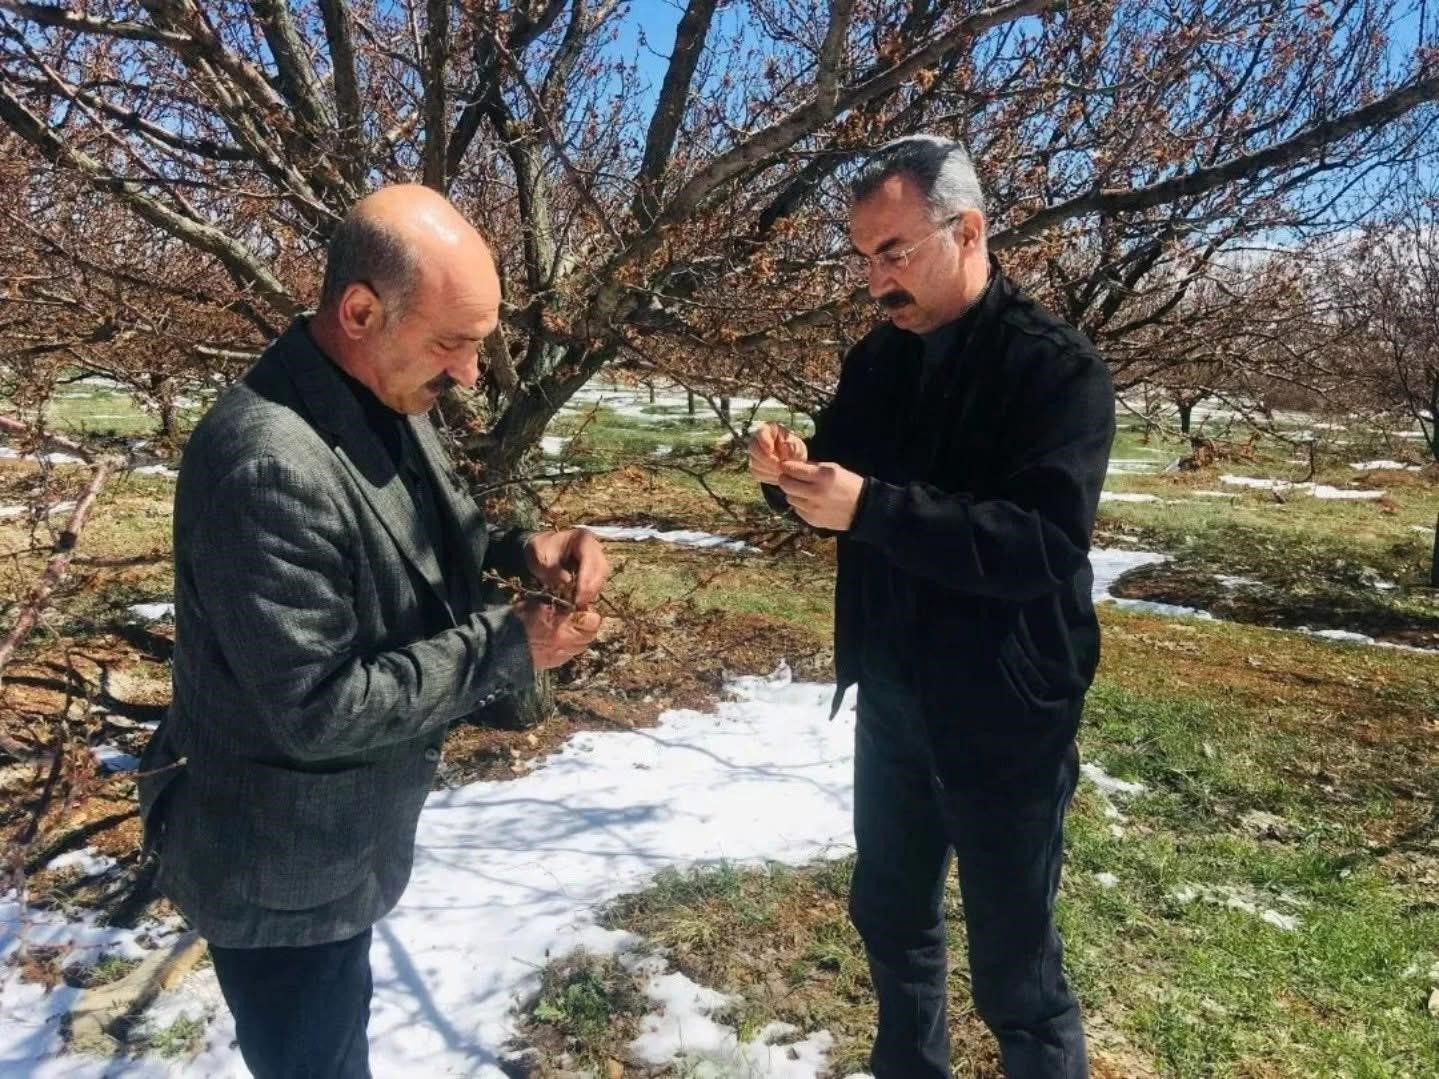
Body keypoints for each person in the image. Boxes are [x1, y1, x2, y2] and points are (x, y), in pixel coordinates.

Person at [137, 184, 610, 1078]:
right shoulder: (267, 465)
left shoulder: (380, 392)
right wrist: (508, 644)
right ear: (359, 310)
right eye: (452, 343)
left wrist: (525, 549)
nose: (470, 373)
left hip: (339, 847)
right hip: (277, 868)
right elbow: (316, 706)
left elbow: (433, 532)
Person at [749, 135, 1114, 1078]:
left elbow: (1041, 542)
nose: (876, 281)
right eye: (864, 257)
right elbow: (838, 482)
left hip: (1005, 707)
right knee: (891, 916)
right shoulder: (880, 360)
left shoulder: (1055, 370)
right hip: (896, 692)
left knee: (1015, 968)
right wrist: (785, 478)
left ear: (969, 231)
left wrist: (870, 506)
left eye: (894, 252)